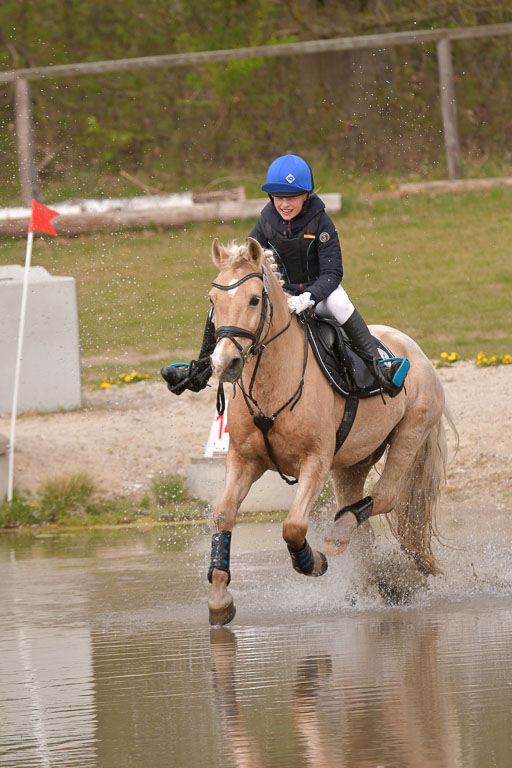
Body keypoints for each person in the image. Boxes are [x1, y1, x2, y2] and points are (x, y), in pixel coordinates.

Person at [161, 154, 406, 397]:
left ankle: (379, 368)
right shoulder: (266, 222)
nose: (284, 205)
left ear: (306, 196)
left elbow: (333, 272)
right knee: (218, 307)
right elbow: (249, 259)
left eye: (292, 198)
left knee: (340, 304)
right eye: (279, 198)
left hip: (320, 293)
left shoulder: (322, 223)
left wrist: (310, 297)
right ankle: (200, 371)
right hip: (282, 295)